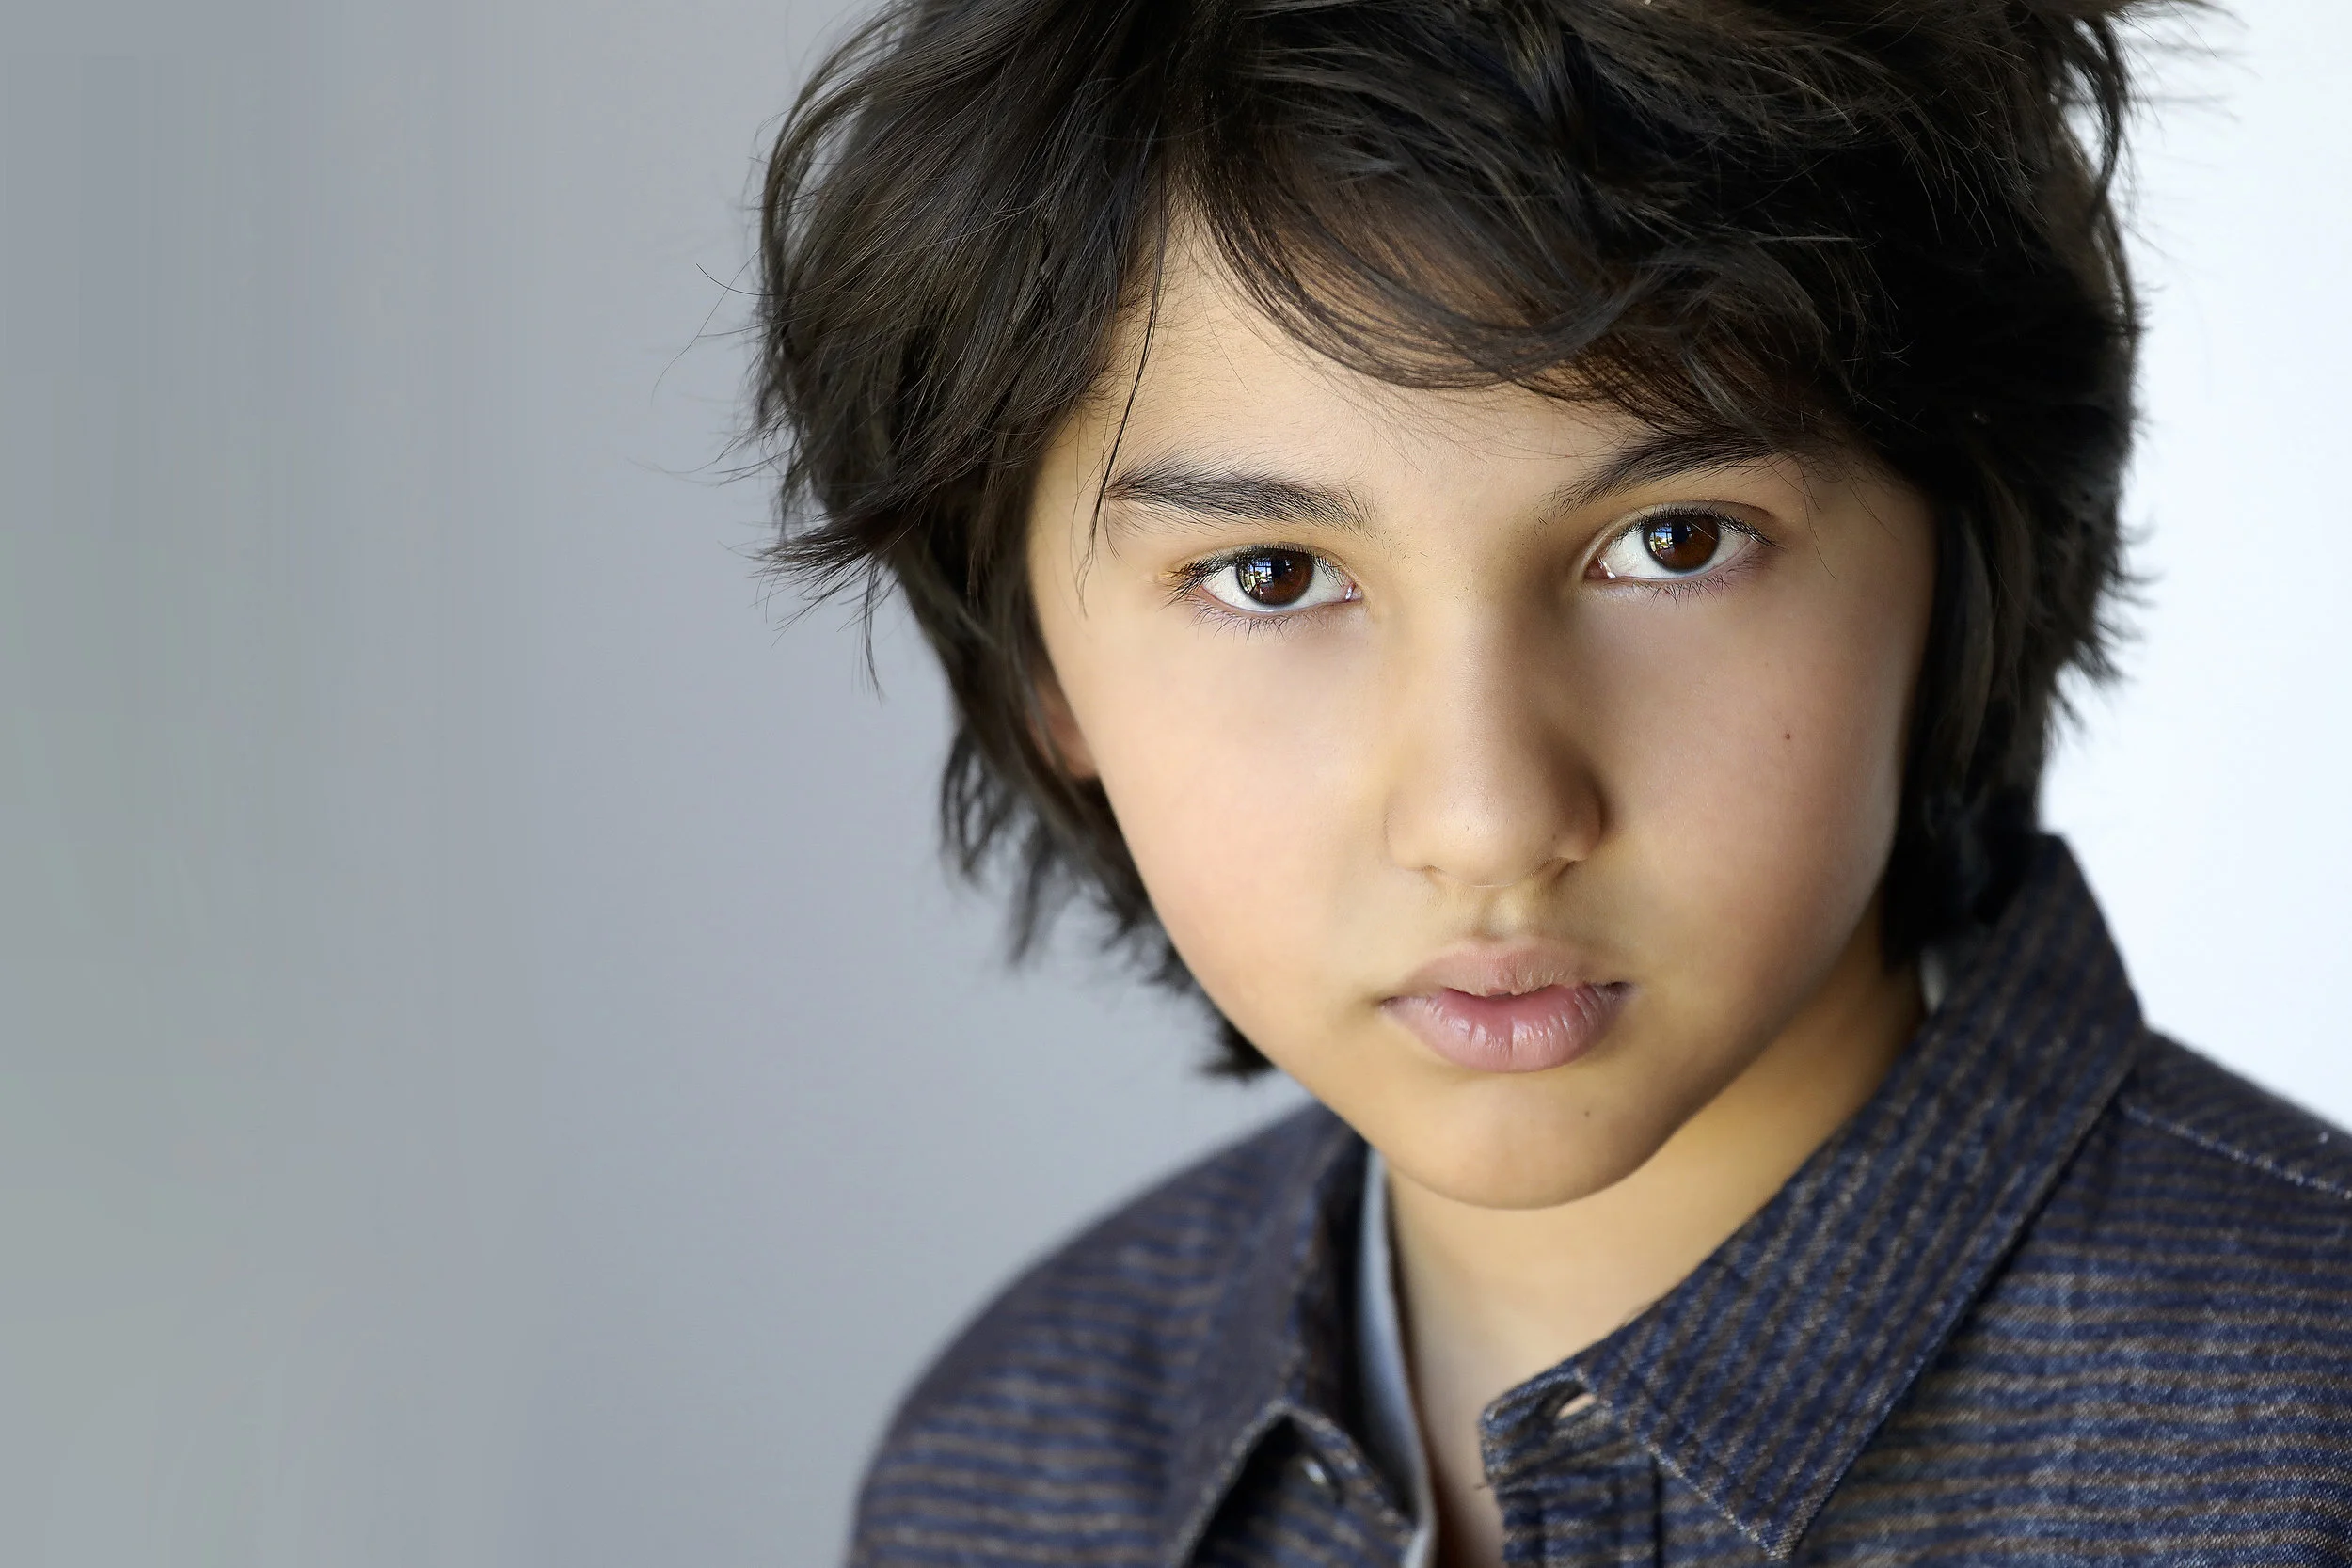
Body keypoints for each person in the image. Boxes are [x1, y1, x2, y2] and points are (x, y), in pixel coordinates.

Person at [748, 1, 2352, 1562]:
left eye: (1676, 541)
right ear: (1041, 665)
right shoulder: (1010, 1473)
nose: (1489, 819)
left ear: (1957, 562)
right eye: (1272, 575)